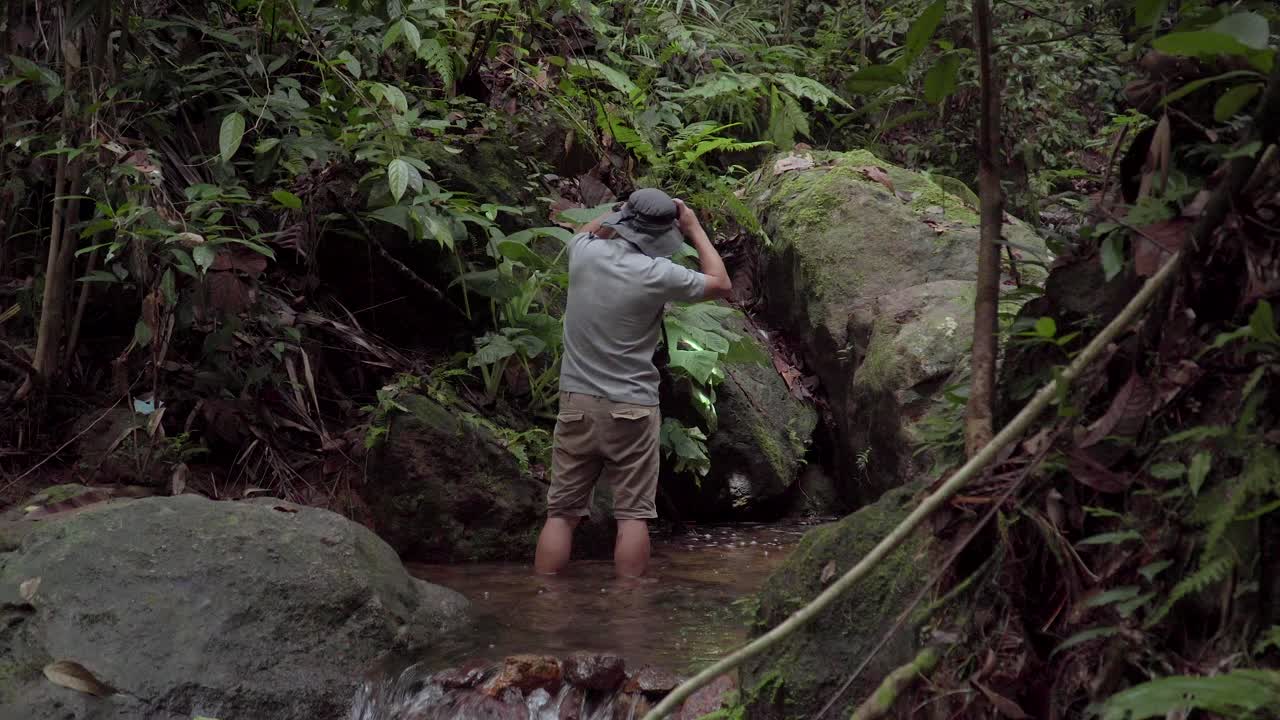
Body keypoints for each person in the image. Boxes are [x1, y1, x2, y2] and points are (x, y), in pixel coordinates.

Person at [533, 188, 732, 577]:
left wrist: (618, 212)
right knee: (633, 517)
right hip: (632, 408)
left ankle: (544, 601)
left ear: (622, 221)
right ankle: (630, 615)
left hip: (578, 404)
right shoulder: (657, 274)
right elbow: (721, 283)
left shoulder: (583, 254)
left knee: (561, 514)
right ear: (661, 236)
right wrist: (692, 226)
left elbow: (590, 232)